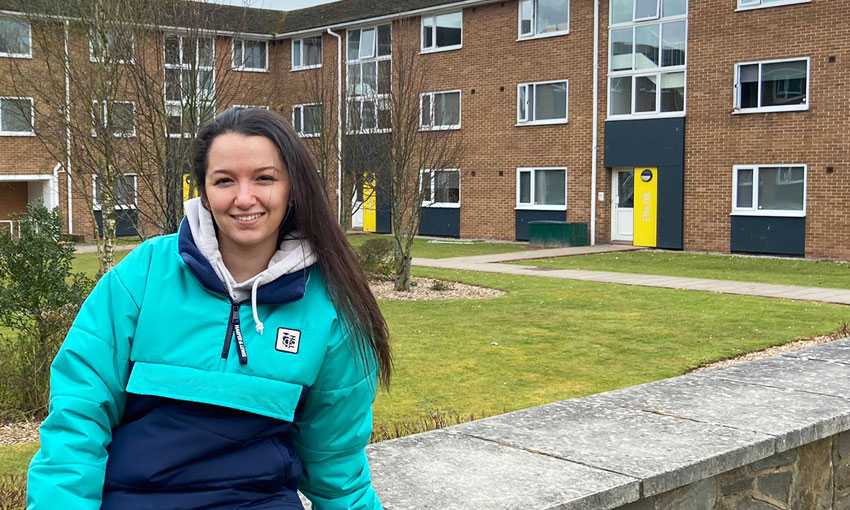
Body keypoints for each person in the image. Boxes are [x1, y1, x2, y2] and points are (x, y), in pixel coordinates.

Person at [26, 107, 391, 510]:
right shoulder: (144, 274)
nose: (244, 198)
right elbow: (77, 420)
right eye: (224, 181)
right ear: (203, 190)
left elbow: (337, 464)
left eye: (264, 178)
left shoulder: (332, 308)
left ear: (293, 188)